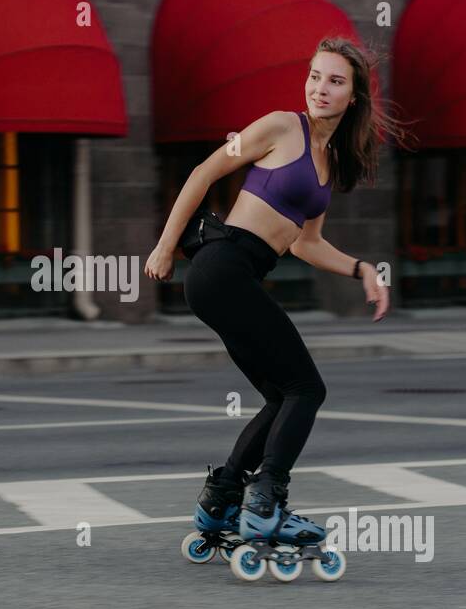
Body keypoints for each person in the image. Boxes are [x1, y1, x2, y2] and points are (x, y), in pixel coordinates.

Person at [145, 37, 403, 562]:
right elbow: (205, 172)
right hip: (223, 267)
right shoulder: (282, 125)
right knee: (307, 388)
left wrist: (361, 269)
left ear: (353, 96)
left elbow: (306, 244)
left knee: (283, 395)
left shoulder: (328, 163)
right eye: (314, 76)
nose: (320, 88)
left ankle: (221, 501)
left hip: (235, 278)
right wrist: (165, 245)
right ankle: (267, 501)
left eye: (334, 81)